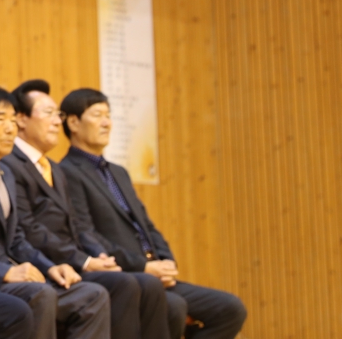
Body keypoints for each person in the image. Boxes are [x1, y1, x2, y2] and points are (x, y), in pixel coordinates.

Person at [57, 89, 246, 339]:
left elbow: (146, 224)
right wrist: (144, 267)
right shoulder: (67, 172)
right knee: (175, 308)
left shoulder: (118, 172)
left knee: (230, 309)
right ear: (73, 123)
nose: (107, 122)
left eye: (109, 115)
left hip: (156, 274)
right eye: (97, 115)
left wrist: (167, 262)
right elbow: (87, 235)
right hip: (129, 278)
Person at [6, 80, 167, 339]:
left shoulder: (53, 168)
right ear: (22, 120)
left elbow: (77, 226)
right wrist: (85, 261)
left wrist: (99, 257)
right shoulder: (10, 164)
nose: (57, 121)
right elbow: (28, 228)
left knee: (144, 284)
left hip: (73, 260)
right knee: (125, 284)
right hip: (46, 263)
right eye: (48, 113)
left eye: (58, 114)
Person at [0, 86, 112, 339]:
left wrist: (50, 267)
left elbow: (16, 239)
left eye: (13, 120)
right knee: (40, 294)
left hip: (14, 271)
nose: (10, 128)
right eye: (0, 119)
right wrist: (2, 272)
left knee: (92, 295)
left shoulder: (4, 173)